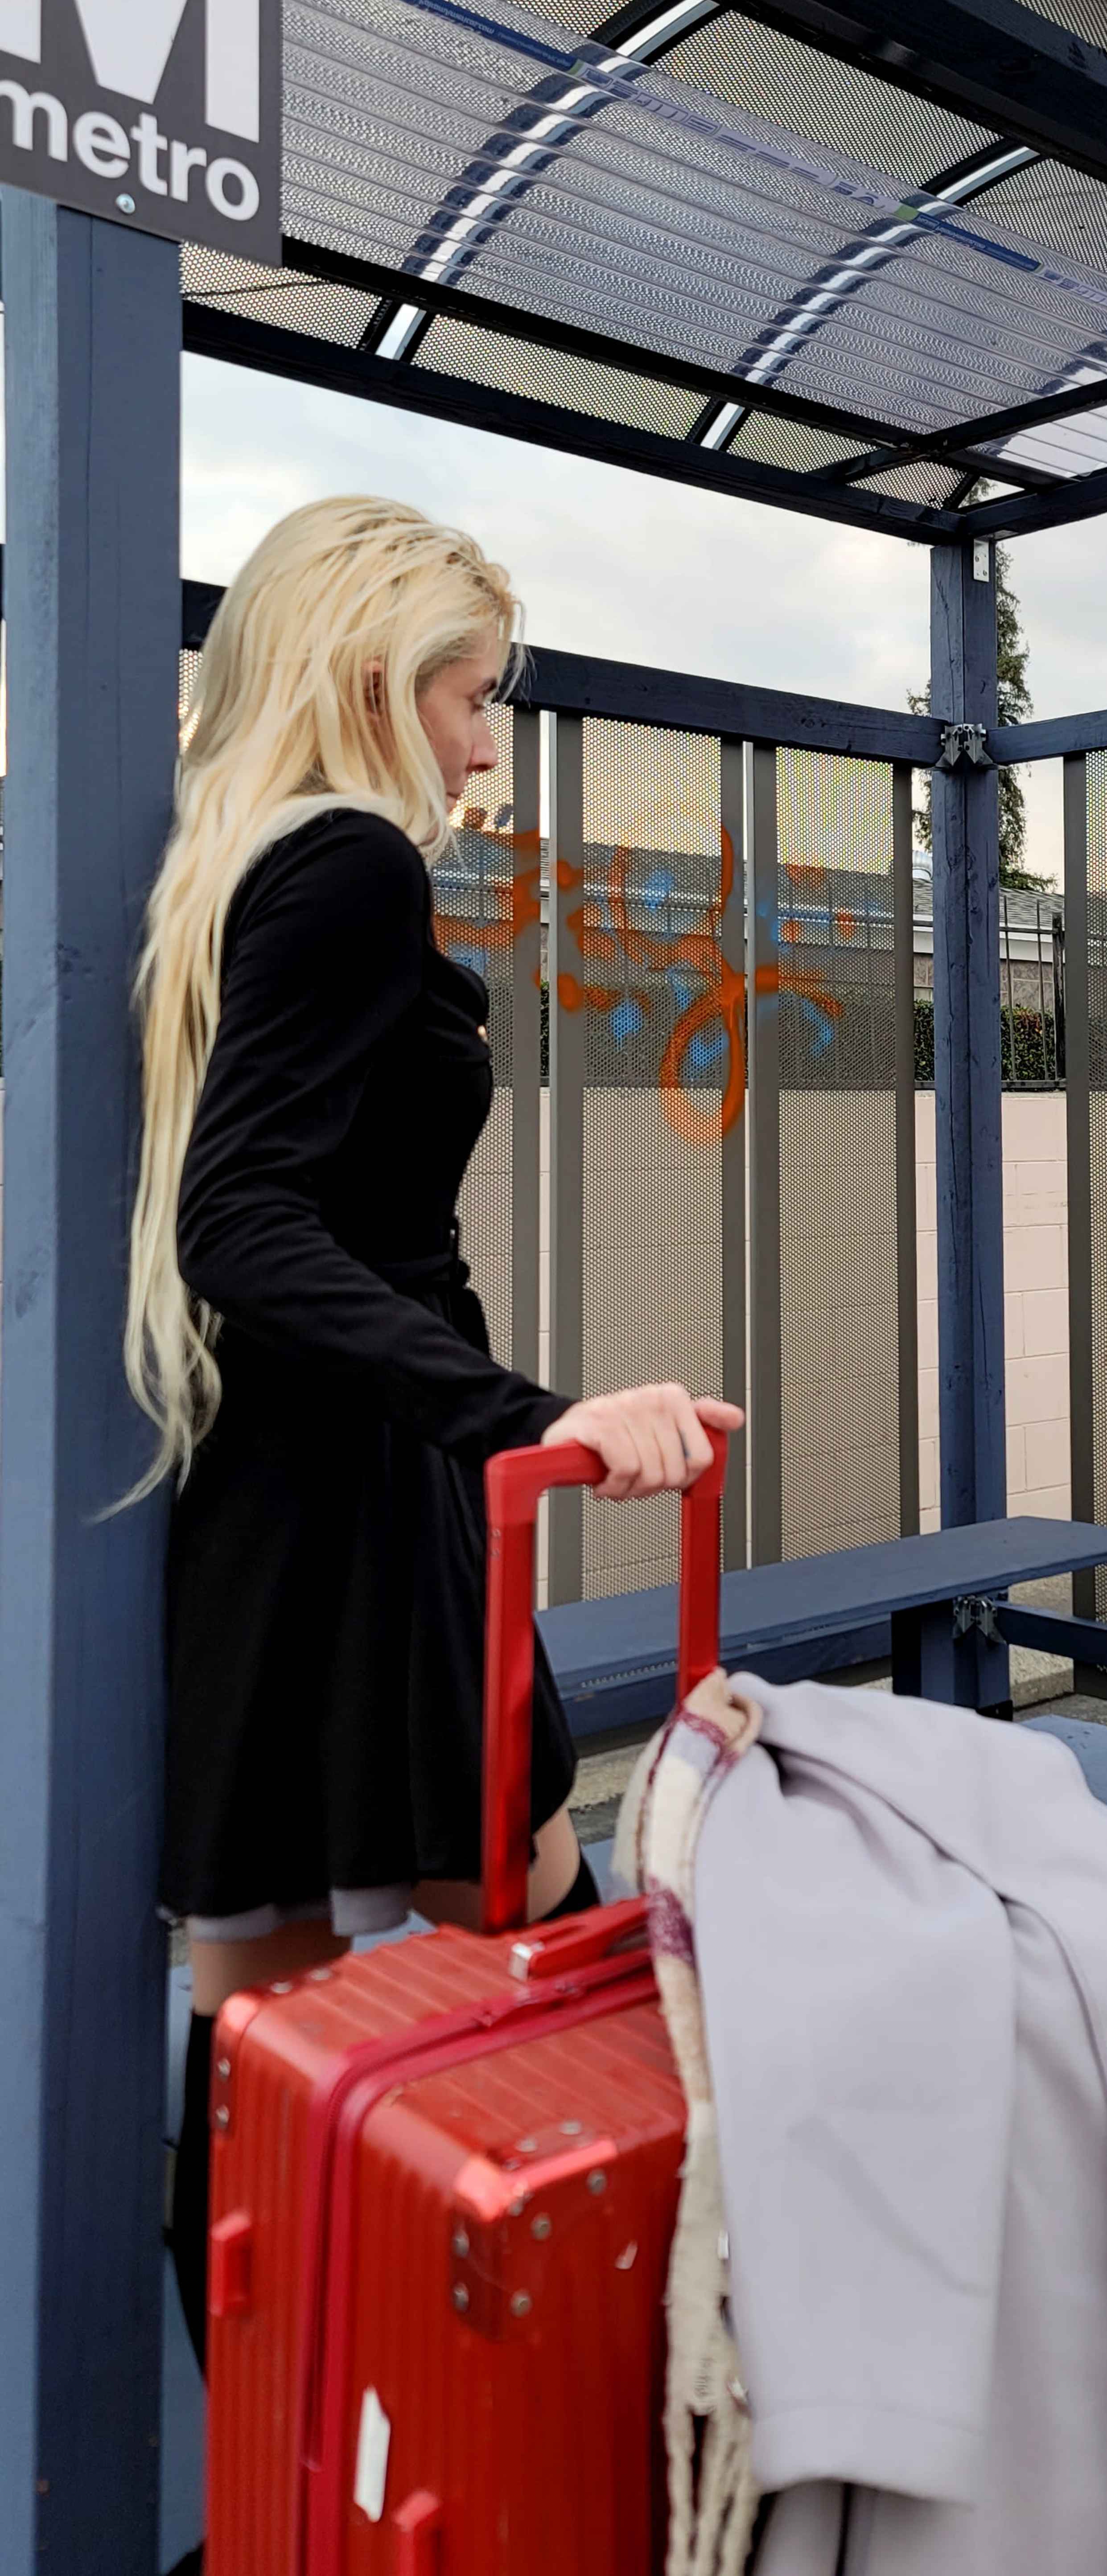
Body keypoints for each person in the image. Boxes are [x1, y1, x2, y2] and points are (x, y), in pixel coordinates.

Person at [124, 494, 741, 2408]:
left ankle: (295, 2457)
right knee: (514, 1957)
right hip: (374, 1499)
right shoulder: (352, 870)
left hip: (268, 1505)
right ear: (366, 675)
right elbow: (249, 1218)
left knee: (268, 2025)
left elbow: (230, 1213)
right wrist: (534, 1411)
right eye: (471, 695)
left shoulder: (225, 858)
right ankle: (466, 2438)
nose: (490, 743)